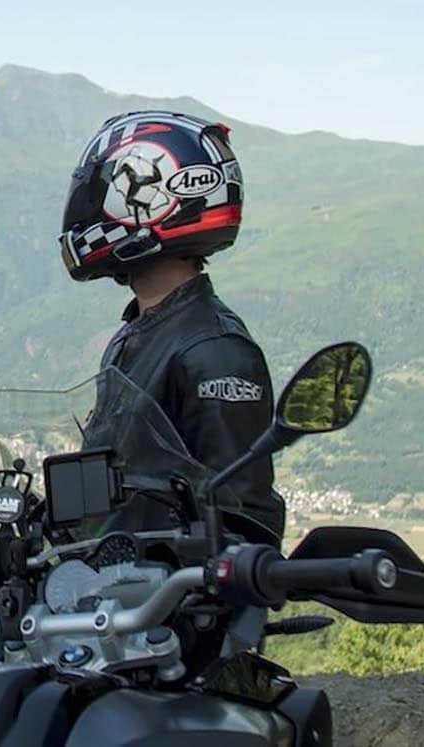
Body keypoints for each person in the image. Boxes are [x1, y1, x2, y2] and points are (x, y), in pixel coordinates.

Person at [58, 111, 285, 544]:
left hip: (166, 605)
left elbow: (241, 521)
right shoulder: (140, 332)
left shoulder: (214, 350)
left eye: (96, 194)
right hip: (116, 592)